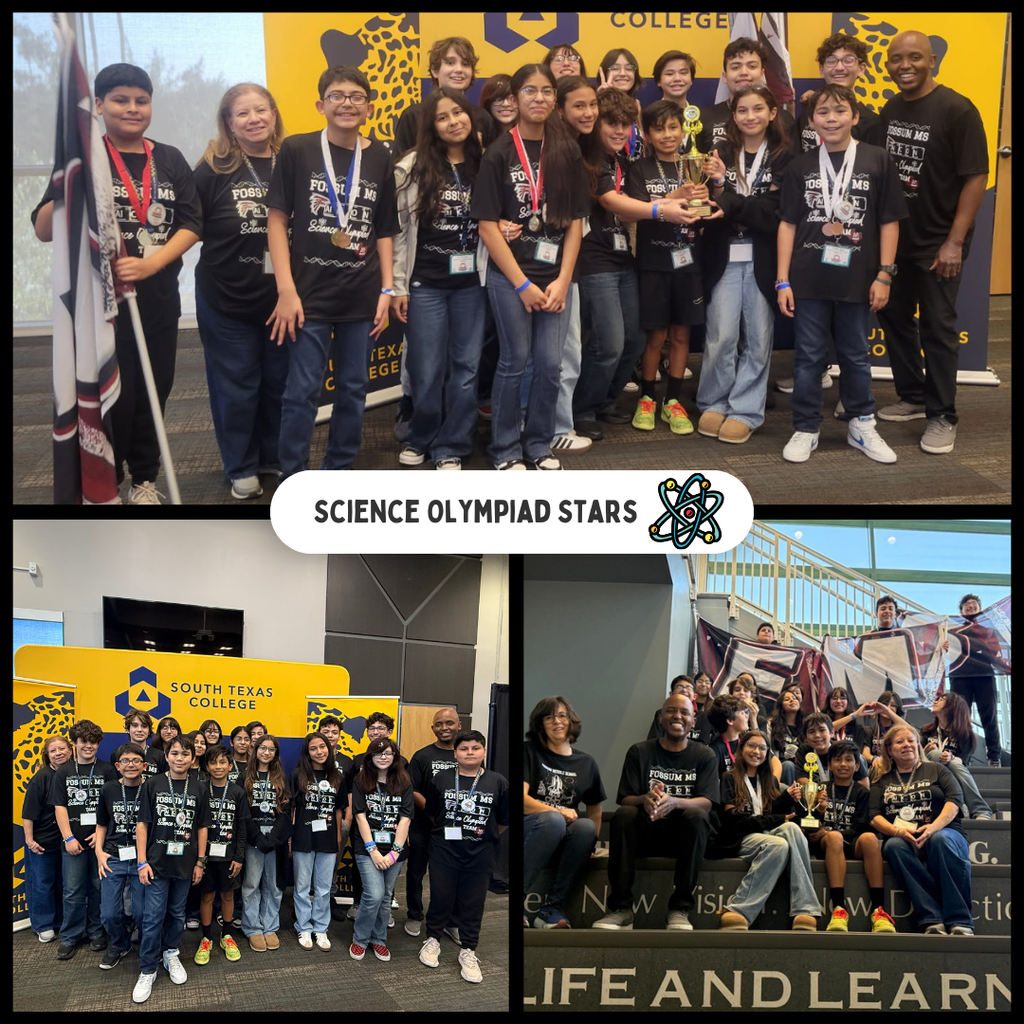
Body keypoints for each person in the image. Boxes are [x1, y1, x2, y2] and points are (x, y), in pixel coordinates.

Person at [32, 63, 201, 504]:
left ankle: (144, 479)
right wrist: (69, 182)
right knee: (111, 393)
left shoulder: (168, 158)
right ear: (100, 105)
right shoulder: (85, 158)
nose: (132, 108)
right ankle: (108, 477)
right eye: (121, 100)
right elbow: (44, 229)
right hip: (99, 306)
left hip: (157, 299)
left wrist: (151, 265)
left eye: (141, 100)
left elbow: (191, 223)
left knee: (153, 389)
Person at [266, 65, 398, 479]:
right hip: (309, 296)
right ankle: (293, 476)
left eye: (356, 96)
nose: (347, 103)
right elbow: (276, 220)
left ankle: (338, 471)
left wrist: (388, 289)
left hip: (361, 293)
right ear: (321, 104)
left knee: (354, 389)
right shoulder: (298, 149)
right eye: (337, 96)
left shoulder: (379, 156)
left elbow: (384, 228)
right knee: (302, 391)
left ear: (370, 107)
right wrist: (286, 291)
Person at [778, 84, 906, 465]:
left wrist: (884, 274)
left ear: (854, 116)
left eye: (839, 111)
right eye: (823, 112)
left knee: (855, 355)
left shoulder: (877, 160)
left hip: (859, 277)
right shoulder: (800, 166)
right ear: (812, 120)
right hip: (808, 278)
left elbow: (889, 221)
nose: (831, 119)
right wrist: (782, 279)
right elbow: (786, 224)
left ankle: (861, 424)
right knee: (808, 358)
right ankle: (806, 427)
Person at [875, 31, 989, 454]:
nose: (904, 65)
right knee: (895, 316)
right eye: (896, 59)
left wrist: (954, 242)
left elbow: (976, 176)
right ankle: (914, 396)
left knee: (937, 328)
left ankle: (943, 416)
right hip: (898, 237)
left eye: (914, 58)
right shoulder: (891, 108)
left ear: (933, 60)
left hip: (939, 241)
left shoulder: (958, 109)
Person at [471, 63, 589, 471]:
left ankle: (538, 443)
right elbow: (487, 227)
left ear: (554, 99)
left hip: (556, 279)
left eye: (546, 91)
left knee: (550, 364)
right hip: (510, 278)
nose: (538, 98)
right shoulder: (499, 152)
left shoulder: (567, 150)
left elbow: (576, 221)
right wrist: (522, 285)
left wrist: (563, 280)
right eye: (529, 91)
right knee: (514, 361)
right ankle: (505, 449)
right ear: (514, 99)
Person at [575, 90, 695, 438]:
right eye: (611, 123)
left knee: (635, 340)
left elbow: (638, 202)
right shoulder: (589, 161)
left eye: (625, 124)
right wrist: (662, 209)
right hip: (594, 259)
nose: (618, 130)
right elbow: (614, 203)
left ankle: (605, 402)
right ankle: (582, 410)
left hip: (625, 257)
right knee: (609, 342)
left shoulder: (621, 163)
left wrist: (677, 197)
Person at [194, 83, 289, 499]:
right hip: (226, 298)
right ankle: (241, 465)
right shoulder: (213, 168)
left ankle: (273, 456)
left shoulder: (294, 160)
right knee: (236, 385)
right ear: (229, 123)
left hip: (284, 300)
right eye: (243, 113)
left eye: (261, 110)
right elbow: (186, 226)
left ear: (274, 113)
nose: (254, 119)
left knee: (279, 383)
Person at [393, 88, 485, 470]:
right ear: (432, 126)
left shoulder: (487, 163)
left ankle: (452, 444)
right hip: (425, 283)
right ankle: (422, 436)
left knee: (465, 367)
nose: (453, 122)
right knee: (426, 369)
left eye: (458, 113)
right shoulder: (411, 166)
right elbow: (398, 232)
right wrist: (397, 284)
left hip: (472, 284)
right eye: (443, 117)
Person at [626, 100, 715, 435]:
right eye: (659, 128)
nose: (667, 135)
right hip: (652, 263)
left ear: (684, 129)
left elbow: (708, 208)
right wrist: (673, 196)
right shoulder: (639, 169)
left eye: (673, 127)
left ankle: (672, 401)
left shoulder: (696, 164)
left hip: (690, 263)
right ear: (647, 134)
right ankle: (647, 398)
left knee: (681, 334)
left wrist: (707, 198)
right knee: (656, 335)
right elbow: (634, 210)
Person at [593, 694, 718, 930]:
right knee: (625, 814)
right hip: (645, 835)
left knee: (698, 816)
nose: (677, 716)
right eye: (671, 711)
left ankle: (680, 909)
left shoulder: (704, 755)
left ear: (693, 721)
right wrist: (645, 798)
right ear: (660, 718)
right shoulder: (639, 752)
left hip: (683, 839)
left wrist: (675, 802)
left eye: (684, 712)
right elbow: (626, 798)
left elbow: (707, 802)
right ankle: (621, 909)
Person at [421, 730, 508, 982]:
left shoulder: (498, 781)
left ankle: (469, 950)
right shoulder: (441, 778)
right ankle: (433, 939)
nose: (470, 752)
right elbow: (432, 812)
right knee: (441, 895)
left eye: (475, 748)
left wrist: (481, 834)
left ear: (483, 751)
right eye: (464, 748)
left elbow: (502, 820)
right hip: (444, 849)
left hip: (481, 852)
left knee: (473, 901)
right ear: (455, 753)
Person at [869, 724, 973, 935]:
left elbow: (955, 801)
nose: (907, 745)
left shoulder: (937, 770)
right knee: (894, 846)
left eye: (911, 740)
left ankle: (960, 920)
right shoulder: (882, 780)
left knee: (940, 840)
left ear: (918, 744)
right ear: (889, 750)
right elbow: (873, 816)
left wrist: (933, 828)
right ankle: (931, 918)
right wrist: (898, 832)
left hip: (945, 831)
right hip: (905, 838)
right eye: (900, 742)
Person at [716, 729, 823, 931]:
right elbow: (734, 822)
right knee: (778, 844)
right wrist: (774, 818)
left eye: (762, 748)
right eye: (752, 746)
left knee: (791, 828)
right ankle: (739, 909)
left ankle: (805, 909)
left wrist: (786, 802)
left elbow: (772, 816)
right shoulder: (729, 778)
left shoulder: (770, 781)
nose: (757, 751)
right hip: (740, 838)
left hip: (767, 837)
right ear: (741, 749)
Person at [133, 735, 210, 1004]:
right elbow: (142, 825)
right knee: (153, 916)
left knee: (177, 913)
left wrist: (201, 861)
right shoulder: (152, 784)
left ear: (192, 758)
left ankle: (171, 953)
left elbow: (202, 827)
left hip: (186, 863)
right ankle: (148, 967)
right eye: (174, 753)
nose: (179, 758)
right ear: (166, 756)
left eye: (185, 754)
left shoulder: (200, 787)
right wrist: (141, 861)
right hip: (155, 863)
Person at [523, 697, 605, 929]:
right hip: (532, 829)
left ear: (571, 721)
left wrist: (590, 844)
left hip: (564, 834)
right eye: (549, 717)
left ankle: (550, 910)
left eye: (562, 716)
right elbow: (522, 801)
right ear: (540, 724)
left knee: (586, 827)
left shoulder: (586, 762)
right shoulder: (529, 751)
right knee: (552, 820)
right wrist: (558, 811)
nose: (556, 721)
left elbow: (595, 810)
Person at [802, 739, 894, 932]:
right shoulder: (820, 789)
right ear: (829, 764)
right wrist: (819, 810)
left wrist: (830, 831)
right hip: (826, 844)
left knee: (869, 838)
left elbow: (861, 826)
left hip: (852, 843)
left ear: (857, 765)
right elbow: (807, 823)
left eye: (848, 760)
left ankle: (879, 911)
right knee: (834, 837)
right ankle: (839, 909)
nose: (843, 764)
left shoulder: (863, 792)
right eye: (837, 760)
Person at [51, 719, 118, 960]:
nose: (88, 746)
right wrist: (68, 837)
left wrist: (100, 834)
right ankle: (70, 935)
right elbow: (60, 807)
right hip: (73, 843)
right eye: (83, 741)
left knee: (99, 887)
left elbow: (114, 806)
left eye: (93, 742)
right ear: (75, 743)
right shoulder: (63, 771)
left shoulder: (108, 769)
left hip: (100, 841)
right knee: (72, 891)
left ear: (98, 743)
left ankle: (96, 931)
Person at [350, 738, 414, 962]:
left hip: (395, 849)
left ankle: (379, 939)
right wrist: (374, 851)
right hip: (367, 847)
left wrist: (394, 853)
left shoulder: (404, 781)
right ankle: (360, 939)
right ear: (370, 757)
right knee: (373, 894)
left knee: (386, 896)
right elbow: (360, 817)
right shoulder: (361, 781)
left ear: (395, 756)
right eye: (378, 754)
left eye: (388, 753)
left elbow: (405, 819)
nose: (383, 757)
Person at [406, 707, 461, 937]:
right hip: (423, 825)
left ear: (459, 725)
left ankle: (449, 921)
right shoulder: (422, 756)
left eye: (449, 723)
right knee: (416, 872)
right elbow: (412, 789)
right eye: (439, 724)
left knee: (450, 875)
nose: (444, 728)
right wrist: (435, 812)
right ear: (433, 728)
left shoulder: (466, 754)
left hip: (455, 829)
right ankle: (415, 915)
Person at [193, 744, 249, 966]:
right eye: (213, 762)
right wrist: (198, 858)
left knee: (227, 896)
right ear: (207, 766)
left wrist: (239, 856)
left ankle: (226, 935)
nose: (218, 767)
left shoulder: (237, 791)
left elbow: (242, 827)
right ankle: (206, 938)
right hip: (204, 856)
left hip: (229, 855)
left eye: (223, 762)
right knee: (206, 896)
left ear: (230, 765)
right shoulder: (199, 789)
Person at [392, 37, 497, 156]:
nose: (459, 70)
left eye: (465, 64)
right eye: (450, 63)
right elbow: (399, 165)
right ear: (435, 71)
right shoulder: (413, 115)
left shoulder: (483, 117)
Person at [95, 742, 148, 970]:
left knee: (141, 912)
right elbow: (101, 825)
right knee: (108, 914)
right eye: (125, 761)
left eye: (136, 760)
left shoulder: (151, 788)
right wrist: (98, 853)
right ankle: (120, 943)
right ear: (117, 765)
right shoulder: (108, 789)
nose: (130, 765)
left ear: (144, 765)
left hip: (142, 859)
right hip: (113, 857)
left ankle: (147, 944)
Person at [290, 732, 345, 950]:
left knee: (323, 888)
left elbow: (339, 809)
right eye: (313, 748)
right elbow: (292, 809)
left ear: (328, 749)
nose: (319, 752)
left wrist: (338, 836)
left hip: (328, 838)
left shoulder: (338, 777)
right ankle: (303, 926)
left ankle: (321, 928)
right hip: (303, 837)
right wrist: (290, 839)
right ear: (307, 752)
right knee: (302, 886)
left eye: (322, 747)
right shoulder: (297, 775)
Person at [696, 38, 796, 154]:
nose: (744, 72)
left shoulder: (784, 119)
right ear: (724, 76)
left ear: (762, 74)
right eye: (735, 67)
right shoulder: (704, 118)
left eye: (752, 66)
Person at [241, 733, 291, 951]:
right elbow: (241, 813)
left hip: (274, 841)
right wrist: (257, 838)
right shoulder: (244, 777)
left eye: (271, 749)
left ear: (276, 753)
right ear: (255, 749)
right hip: (253, 840)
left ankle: (270, 926)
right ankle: (252, 927)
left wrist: (272, 838)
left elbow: (286, 811)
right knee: (251, 885)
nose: (266, 752)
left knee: (273, 884)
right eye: (263, 748)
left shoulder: (281, 777)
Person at [794, 33, 881, 154]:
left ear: (861, 69)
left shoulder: (872, 122)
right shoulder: (810, 110)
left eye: (848, 60)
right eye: (831, 60)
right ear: (821, 70)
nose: (839, 67)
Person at [22, 735, 72, 943]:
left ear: (71, 751)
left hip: (66, 842)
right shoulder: (42, 777)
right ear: (47, 755)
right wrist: (29, 839)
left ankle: (59, 920)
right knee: (42, 884)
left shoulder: (73, 775)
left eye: (62, 748)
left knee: (62, 884)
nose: (58, 753)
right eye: (53, 750)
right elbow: (28, 813)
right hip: (42, 842)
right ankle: (43, 924)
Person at [948, 593, 1004, 765]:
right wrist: (943, 647)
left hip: (984, 676)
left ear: (981, 610)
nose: (971, 607)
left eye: (974, 605)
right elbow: (944, 656)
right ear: (961, 611)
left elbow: (997, 654)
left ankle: (994, 756)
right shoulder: (952, 632)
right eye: (967, 605)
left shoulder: (989, 631)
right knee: (960, 718)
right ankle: (962, 757)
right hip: (959, 677)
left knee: (990, 717)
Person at [921, 692, 993, 819]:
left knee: (952, 762)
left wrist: (951, 758)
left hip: (950, 773)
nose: (936, 702)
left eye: (942, 699)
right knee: (933, 753)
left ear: (952, 706)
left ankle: (968, 806)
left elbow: (962, 761)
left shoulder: (965, 735)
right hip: (928, 771)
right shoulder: (926, 731)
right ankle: (980, 810)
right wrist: (925, 752)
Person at [594, 48, 644, 160]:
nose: (623, 73)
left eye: (629, 68)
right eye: (615, 68)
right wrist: (599, 100)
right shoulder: (594, 106)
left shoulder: (637, 106)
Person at [857, 691, 912, 772]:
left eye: (893, 705)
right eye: (885, 704)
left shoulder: (902, 730)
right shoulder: (869, 730)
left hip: (898, 768)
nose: (888, 707)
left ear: (898, 709)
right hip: (877, 768)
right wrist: (875, 759)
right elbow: (865, 754)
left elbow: (912, 733)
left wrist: (887, 711)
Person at [706, 694, 752, 778]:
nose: (746, 716)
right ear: (730, 721)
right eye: (742, 713)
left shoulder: (747, 740)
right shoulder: (715, 749)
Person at [767, 685, 804, 784]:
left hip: (803, 764)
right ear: (781, 706)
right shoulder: (772, 725)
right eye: (787, 699)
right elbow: (769, 750)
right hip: (781, 764)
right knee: (788, 765)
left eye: (795, 698)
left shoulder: (805, 725)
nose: (792, 700)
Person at [122, 709, 167, 779]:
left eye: (144, 726)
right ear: (128, 729)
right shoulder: (118, 753)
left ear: (149, 731)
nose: (139, 730)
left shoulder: (159, 755)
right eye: (135, 725)